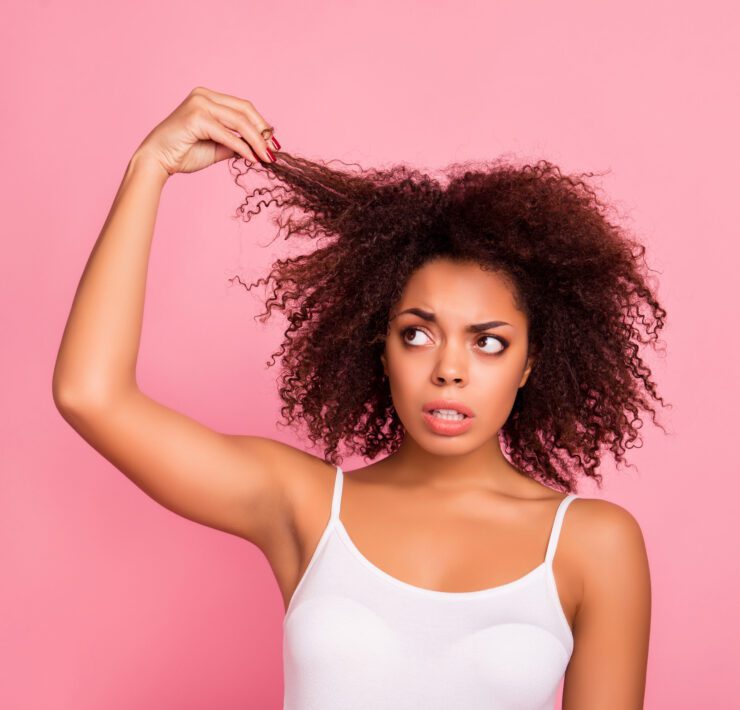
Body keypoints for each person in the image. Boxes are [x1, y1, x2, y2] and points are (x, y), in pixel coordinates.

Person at [53, 86, 664, 709]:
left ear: (531, 363)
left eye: (488, 343)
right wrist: (149, 166)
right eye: (418, 334)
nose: (449, 369)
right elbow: (89, 394)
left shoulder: (593, 544)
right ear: (381, 349)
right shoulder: (307, 507)